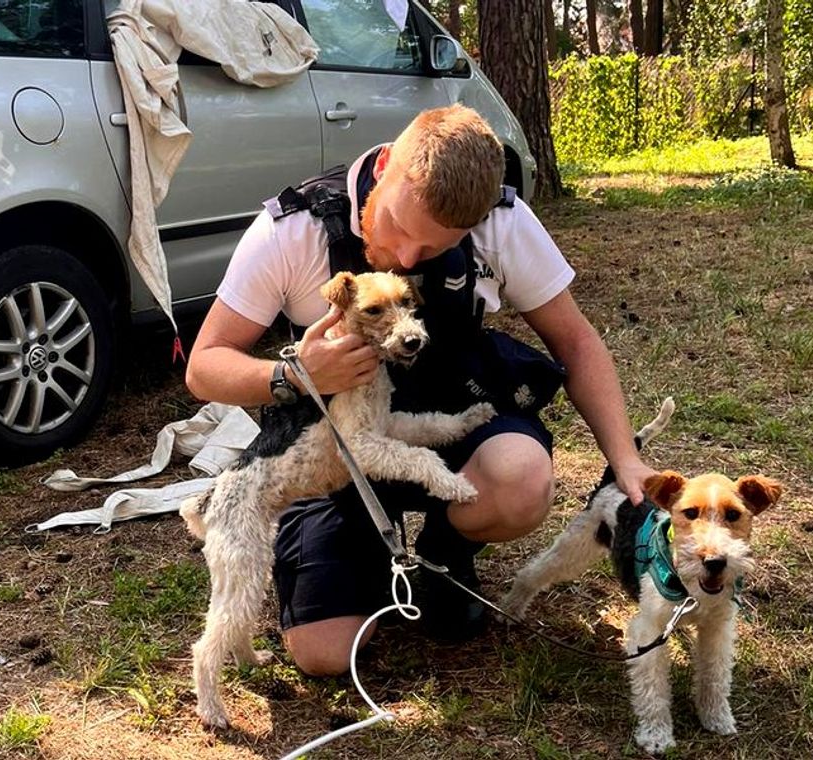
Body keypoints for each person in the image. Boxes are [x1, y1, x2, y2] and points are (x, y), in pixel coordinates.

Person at [185, 105, 656, 676]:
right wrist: (295, 374)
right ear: (383, 167)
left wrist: (625, 460)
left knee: (521, 478)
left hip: (442, 423)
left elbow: (576, 344)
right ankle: (368, 556)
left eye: (433, 249)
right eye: (399, 229)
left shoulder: (502, 222)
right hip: (332, 456)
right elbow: (205, 366)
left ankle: (444, 555)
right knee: (326, 655)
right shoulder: (294, 229)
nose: (408, 259)